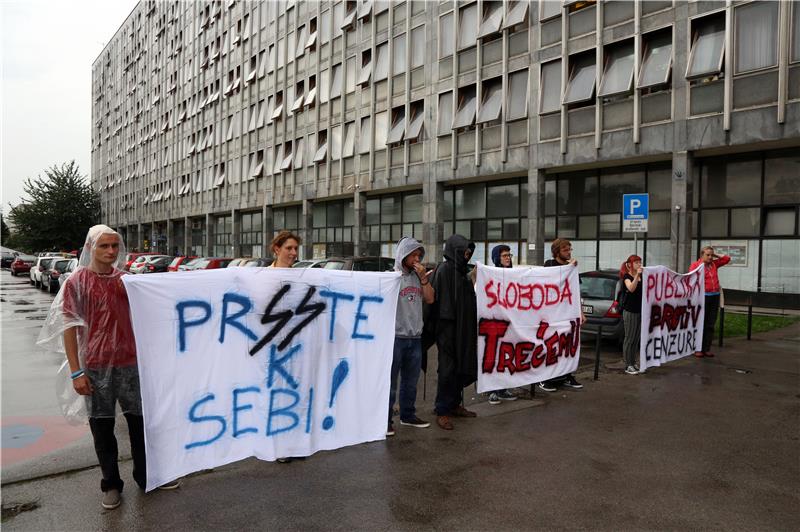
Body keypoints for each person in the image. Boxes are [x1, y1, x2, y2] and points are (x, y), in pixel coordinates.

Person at [41, 225, 179, 510]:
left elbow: (154, 314)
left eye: (115, 246)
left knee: (141, 425)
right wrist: (76, 372)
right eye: (104, 246)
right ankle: (111, 485)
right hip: (94, 366)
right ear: (91, 248)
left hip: (131, 364)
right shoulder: (77, 282)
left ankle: (147, 476)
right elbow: (69, 328)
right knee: (102, 429)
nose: (111, 252)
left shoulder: (128, 281)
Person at [428, 234, 479, 430]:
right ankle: (442, 410)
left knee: (460, 365)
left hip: (462, 329)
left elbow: (468, 300)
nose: (467, 255)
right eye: (465, 251)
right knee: (447, 370)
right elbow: (441, 304)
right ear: (455, 250)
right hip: (447, 329)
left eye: (469, 252)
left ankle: (455, 404)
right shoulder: (445, 270)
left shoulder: (460, 271)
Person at [386, 237, 435, 436]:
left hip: (415, 337)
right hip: (395, 337)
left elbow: (430, 299)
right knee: (390, 382)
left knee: (410, 381)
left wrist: (424, 279)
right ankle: (385, 419)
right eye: (413, 254)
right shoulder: (392, 277)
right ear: (403, 255)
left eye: (419, 255)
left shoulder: (418, 277)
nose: (417, 258)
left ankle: (408, 415)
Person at [268, 230, 303, 462]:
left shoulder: (301, 277)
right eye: (289, 248)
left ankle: (295, 445)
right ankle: (279, 448)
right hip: (274, 347)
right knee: (278, 396)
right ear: (277, 249)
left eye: (295, 249)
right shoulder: (263, 276)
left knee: (296, 394)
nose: (293, 253)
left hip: (297, 346)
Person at [539, 238, 585, 392]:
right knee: (551, 345)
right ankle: (546, 378)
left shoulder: (571, 268)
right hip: (552, 314)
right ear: (557, 251)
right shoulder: (550, 264)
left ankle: (566, 375)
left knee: (567, 345)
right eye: (565, 250)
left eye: (570, 249)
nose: (569, 252)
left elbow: (575, 292)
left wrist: (581, 311)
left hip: (567, 313)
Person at [487, 245, 519, 405]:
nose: (508, 258)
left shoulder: (513, 275)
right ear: (496, 259)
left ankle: (502, 388)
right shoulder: (490, 275)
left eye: (509, 255)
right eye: (504, 255)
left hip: (509, 323)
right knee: (492, 355)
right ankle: (492, 390)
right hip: (494, 323)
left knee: (506, 356)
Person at [690, 246, 730, 357]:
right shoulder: (696, 265)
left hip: (714, 296)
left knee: (710, 323)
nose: (710, 257)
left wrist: (716, 254)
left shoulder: (714, 264)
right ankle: (697, 348)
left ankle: (706, 348)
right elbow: (690, 279)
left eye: (711, 255)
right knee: (700, 323)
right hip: (703, 297)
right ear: (701, 255)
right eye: (707, 255)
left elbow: (727, 259)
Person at [620, 255, 643, 375]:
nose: (639, 264)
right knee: (629, 338)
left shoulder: (642, 277)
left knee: (636, 338)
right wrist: (638, 275)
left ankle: (633, 362)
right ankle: (627, 364)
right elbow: (631, 288)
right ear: (630, 264)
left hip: (639, 311)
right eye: (636, 262)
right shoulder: (627, 277)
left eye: (640, 262)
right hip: (630, 311)